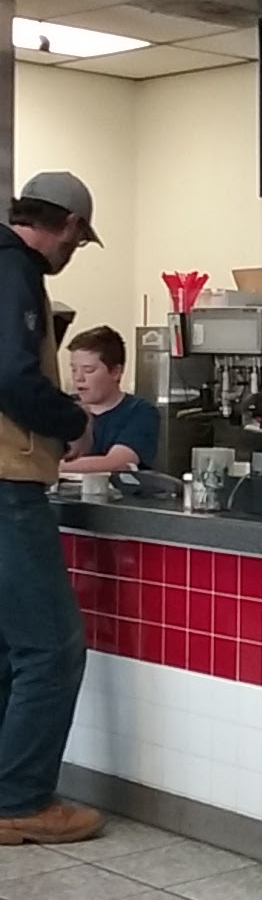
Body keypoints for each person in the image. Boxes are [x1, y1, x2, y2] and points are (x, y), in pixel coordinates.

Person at [0, 171, 104, 846]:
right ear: (66, 224)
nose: (73, 251)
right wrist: (71, 420)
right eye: (78, 239)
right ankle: (20, 799)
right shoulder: (16, 270)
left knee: (9, 649)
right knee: (52, 647)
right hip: (8, 484)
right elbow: (11, 374)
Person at [62, 325, 159, 474]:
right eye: (74, 369)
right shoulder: (63, 408)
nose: (78, 378)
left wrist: (47, 468)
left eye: (88, 370)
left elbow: (116, 463)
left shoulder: (140, 412)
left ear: (115, 372)